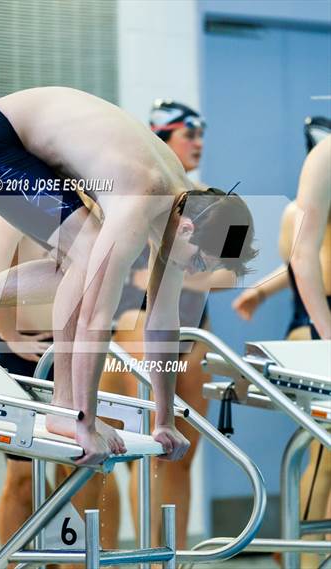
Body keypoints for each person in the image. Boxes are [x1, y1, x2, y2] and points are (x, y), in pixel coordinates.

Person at [0, 86, 257, 468]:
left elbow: (163, 324)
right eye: (199, 262)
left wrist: (164, 419)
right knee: (86, 256)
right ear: (189, 229)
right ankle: (63, 406)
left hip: (6, 142)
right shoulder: (140, 197)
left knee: (81, 257)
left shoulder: (178, 211)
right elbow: (95, 319)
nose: (195, 271)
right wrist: (84, 419)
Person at [97, 99, 236, 550]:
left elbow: (231, 271)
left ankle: (167, 560)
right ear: (161, 139)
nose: (197, 143)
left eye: (201, 135)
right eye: (187, 134)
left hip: (192, 338)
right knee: (141, 455)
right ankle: (135, 556)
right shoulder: (129, 193)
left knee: (179, 457)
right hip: (135, 332)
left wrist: (170, 271)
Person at [233, 116, 331, 569]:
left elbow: (286, 269)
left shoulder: (299, 207)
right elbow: (301, 260)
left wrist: (257, 292)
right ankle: (304, 554)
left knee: (322, 453)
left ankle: (304, 549)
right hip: (314, 324)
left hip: (311, 318)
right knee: (320, 453)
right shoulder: (306, 207)